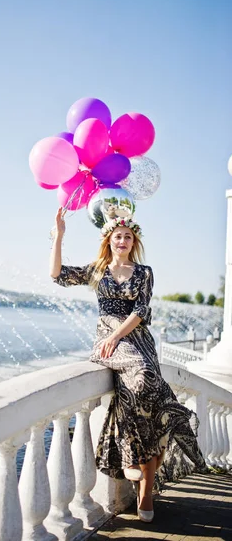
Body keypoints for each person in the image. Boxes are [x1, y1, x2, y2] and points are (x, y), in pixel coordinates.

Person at [49, 207, 206, 523]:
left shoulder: (144, 272)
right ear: (109, 239)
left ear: (134, 241)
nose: (122, 239)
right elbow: (57, 275)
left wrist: (117, 336)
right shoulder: (99, 269)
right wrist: (59, 236)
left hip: (135, 338)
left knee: (148, 382)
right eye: (118, 235)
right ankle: (140, 470)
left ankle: (145, 482)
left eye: (128, 236)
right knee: (144, 391)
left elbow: (142, 312)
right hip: (109, 338)